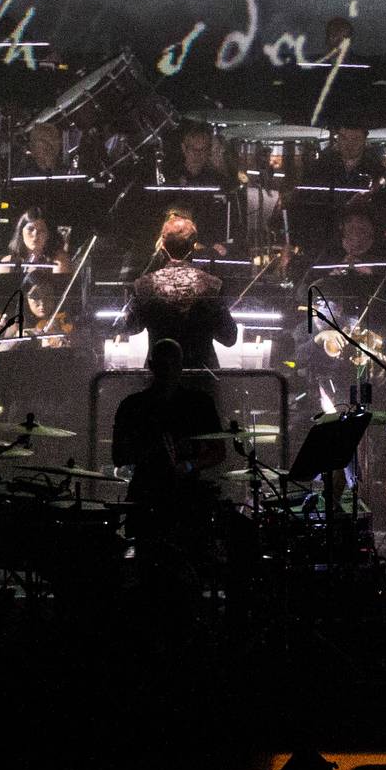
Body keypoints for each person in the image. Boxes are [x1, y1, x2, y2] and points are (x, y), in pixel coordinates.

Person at [111, 338, 225, 584]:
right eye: (163, 366)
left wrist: (188, 464)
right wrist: (175, 460)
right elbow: (119, 455)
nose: (167, 371)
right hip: (159, 496)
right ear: (153, 366)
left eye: (171, 365)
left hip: (168, 496)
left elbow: (219, 450)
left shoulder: (136, 406)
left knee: (160, 567)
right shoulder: (194, 403)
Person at [126, 213, 237, 371]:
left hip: (160, 376)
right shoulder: (212, 285)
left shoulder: (144, 285)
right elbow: (229, 337)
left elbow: (131, 328)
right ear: (193, 248)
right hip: (201, 378)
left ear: (163, 248)